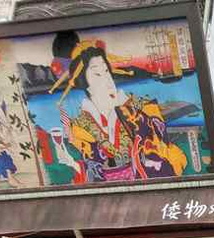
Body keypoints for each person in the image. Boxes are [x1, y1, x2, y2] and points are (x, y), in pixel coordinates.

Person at [52, 31, 188, 183]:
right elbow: (92, 167)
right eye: (97, 74)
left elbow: (158, 141)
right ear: (85, 84)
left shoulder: (137, 108)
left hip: (146, 179)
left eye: (106, 72)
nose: (107, 80)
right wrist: (70, 162)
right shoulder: (80, 125)